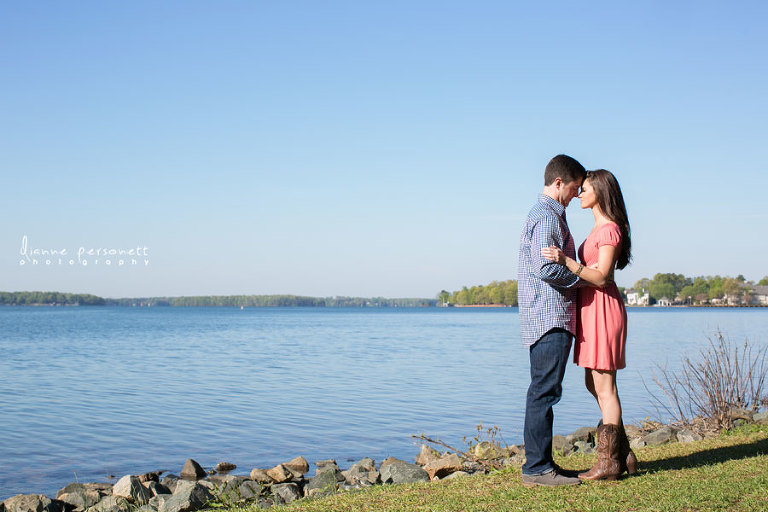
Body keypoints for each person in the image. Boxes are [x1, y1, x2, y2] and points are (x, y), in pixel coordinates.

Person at [541, 169, 637, 481]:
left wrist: (566, 261)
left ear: (601, 192)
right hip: (590, 310)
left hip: (604, 310)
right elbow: (591, 274)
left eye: (585, 189)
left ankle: (609, 464)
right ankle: (622, 453)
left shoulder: (609, 230)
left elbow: (603, 277)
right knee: (592, 383)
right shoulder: (596, 231)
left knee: (605, 387)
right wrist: (584, 269)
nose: (579, 194)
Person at [518, 154, 586, 487]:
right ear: (559, 182)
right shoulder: (547, 217)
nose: (576, 195)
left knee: (543, 391)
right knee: (544, 393)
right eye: (574, 188)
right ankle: (537, 469)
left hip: (545, 316)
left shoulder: (546, 214)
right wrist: (584, 279)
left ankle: (542, 465)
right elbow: (546, 268)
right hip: (550, 317)